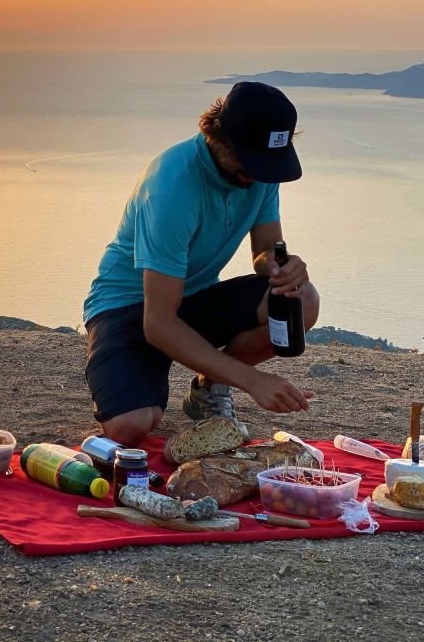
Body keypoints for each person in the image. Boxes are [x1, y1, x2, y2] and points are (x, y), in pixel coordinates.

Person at [82, 81, 318, 446]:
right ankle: (159, 378)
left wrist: (280, 265)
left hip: (193, 298)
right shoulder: (171, 188)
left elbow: (265, 249)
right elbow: (158, 323)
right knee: (130, 427)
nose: (256, 175)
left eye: (265, 163)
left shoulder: (259, 170)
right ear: (218, 136)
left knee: (301, 300)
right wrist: (253, 381)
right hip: (128, 308)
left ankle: (209, 388)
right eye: (249, 161)